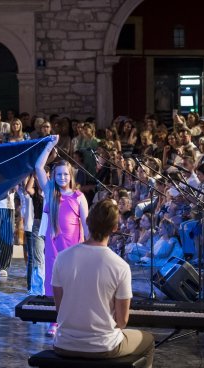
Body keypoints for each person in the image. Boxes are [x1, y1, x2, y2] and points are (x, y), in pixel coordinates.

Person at [51, 199, 154, 366]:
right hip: (103, 346)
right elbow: (121, 322)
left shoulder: (62, 258)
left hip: (63, 343)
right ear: (115, 228)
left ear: (87, 222)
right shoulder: (120, 266)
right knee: (148, 340)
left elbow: (60, 308)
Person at [35, 136, 89, 337]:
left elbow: (86, 224)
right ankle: (55, 321)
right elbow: (38, 167)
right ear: (54, 175)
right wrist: (50, 146)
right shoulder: (50, 192)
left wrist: (90, 248)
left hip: (73, 248)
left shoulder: (78, 197)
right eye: (58, 174)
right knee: (54, 286)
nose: (62, 177)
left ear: (71, 175)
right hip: (53, 248)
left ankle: (72, 321)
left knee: (73, 285)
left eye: (65, 174)